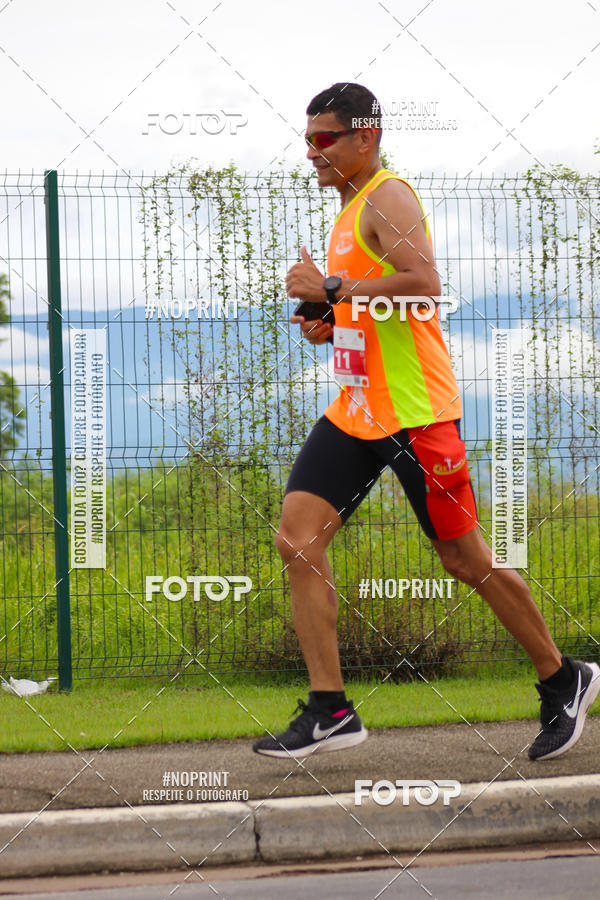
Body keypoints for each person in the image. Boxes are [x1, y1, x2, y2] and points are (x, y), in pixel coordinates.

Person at [252, 82, 599, 761]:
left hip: (416, 417)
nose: (312, 154)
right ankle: (332, 711)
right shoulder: (352, 207)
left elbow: (424, 285)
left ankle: (565, 677)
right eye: (307, 142)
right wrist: (332, 320)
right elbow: (379, 305)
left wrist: (331, 288)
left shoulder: (388, 195)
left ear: (365, 138)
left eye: (324, 140)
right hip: (356, 413)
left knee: (463, 559)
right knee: (297, 542)